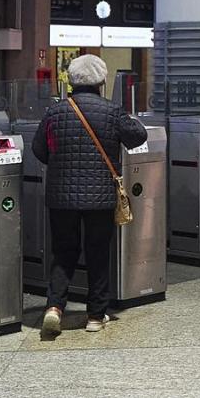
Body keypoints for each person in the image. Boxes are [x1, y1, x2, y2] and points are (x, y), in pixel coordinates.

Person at [33, 54, 148, 337]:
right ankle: (96, 315)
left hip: (61, 197)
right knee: (98, 253)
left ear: (70, 80)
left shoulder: (54, 112)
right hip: (99, 197)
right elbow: (139, 136)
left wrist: (62, 164)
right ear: (101, 81)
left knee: (63, 252)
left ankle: (54, 308)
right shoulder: (111, 111)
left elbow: (39, 149)